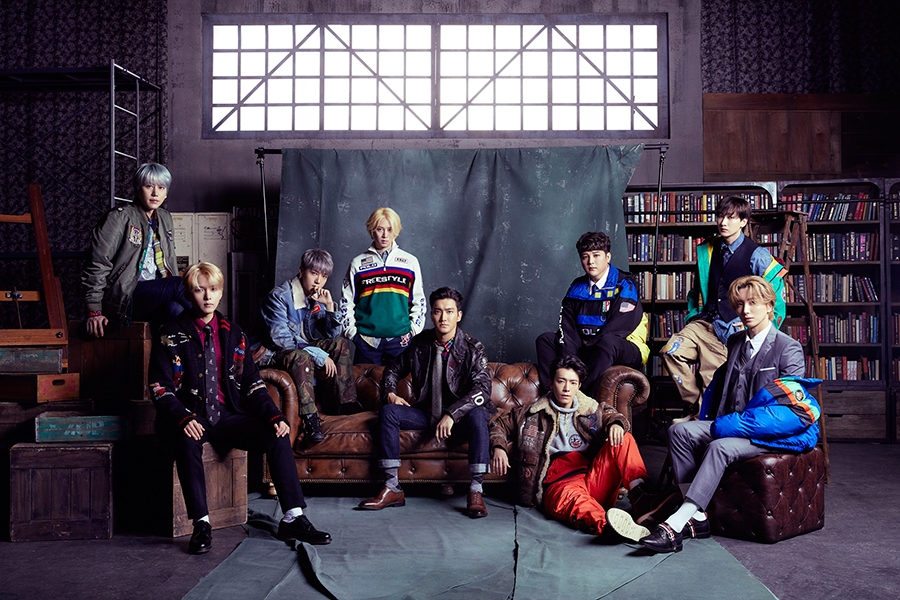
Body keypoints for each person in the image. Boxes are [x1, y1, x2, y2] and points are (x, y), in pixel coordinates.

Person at [608, 276, 819, 553]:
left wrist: (728, 426)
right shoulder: (736, 341)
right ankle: (696, 514)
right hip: (733, 424)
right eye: (740, 304)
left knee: (720, 447)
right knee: (678, 431)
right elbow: (723, 388)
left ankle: (675, 524)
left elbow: (789, 413)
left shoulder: (787, 348)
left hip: (770, 434)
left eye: (753, 303)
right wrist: (710, 418)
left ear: (770, 306)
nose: (745, 310)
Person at [149, 262, 331, 554]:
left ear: (221, 292)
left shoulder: (234, 333)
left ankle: (293, 517)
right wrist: (182, 418)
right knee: (186, 440)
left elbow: (252, 384)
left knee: (277, 434)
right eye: (199, 290)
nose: (207, 296)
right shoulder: (169, 334)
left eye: (213, 289)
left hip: (228, 415)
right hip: (190, 415)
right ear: (188, 293)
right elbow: (160, 387)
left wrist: (273, 415)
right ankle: (201, 524)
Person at [490, 355, 677, 541]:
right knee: (577, 502)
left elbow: (613, 415)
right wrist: (499, 447)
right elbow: (498, 425)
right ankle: (610, 526)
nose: (566, 388)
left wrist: (616, 424)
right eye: (561, 381)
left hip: (594, 479)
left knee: (623, 438)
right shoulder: (531, 413)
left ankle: (641, 500)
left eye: (572, 383)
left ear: (579, 385)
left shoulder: (591, 410)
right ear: (551, 383)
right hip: (559, 484)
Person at [357, 287, 494, 518]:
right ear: (431, 314)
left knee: (479, 413)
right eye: (438, 311)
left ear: (459, 315)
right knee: (389, 412)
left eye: (449, 312)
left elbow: (483, 390)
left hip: (460, 419)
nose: (443, 318)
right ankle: (392, 487)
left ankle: (475, 490)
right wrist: (390, 393)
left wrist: (452, 414)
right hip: (428, 414)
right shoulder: (420, 344)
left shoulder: (473, 348)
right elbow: (392, 369)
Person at [660, 195, 787, 422]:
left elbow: (774, 298)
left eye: (731, 217)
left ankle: (701, 419)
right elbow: (697, 290)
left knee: (711, 379)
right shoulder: (708, 250)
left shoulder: (757, 255)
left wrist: (757, 328)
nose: (723, 222)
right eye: (720, 216)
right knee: (669, 351)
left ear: (743, 222)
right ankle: (695, 407)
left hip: (730, 329)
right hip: (704, 322)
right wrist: (693, 315)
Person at [260, 248, 361, 443]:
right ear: (301, 271)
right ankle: (311, 419)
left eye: (324, 276)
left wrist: (329, 306)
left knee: (340, 344)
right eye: (314, 273)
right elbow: (282, 341)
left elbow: (333, 336)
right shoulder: (279, 297)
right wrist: (318, 354)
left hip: (299, 349)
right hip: (273, 353)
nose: (318, 281)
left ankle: (346, 406)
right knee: (302, 356)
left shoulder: (315, 297)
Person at [82, 163, 190, 337]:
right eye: (149, 186)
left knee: (174, 308)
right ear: (138, 189)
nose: (155, 193)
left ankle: (177, 351)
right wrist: (94, 310)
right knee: (180, 284)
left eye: (161, 188)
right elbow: (98, 263)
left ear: (166, 193)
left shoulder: (165, 217)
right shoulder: (119, 217)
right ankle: (212, 329)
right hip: (125, 296)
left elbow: (169, 260)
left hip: (155, 295)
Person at [535, 231, 649, 395]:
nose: (591, 262)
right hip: (588, 347)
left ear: (607, 257)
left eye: (596, 255)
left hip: (625, 348)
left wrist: (587, 351)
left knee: (607, 342)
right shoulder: (576, 287)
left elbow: (619, 328)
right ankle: (552, 396)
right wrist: (573, 360)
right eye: (585, 257)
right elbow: (568, 327)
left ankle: (580, 396)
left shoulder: (625, 284)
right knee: (545, 340)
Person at [340, 207, 427, 365]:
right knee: (364, 382)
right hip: (366, 341)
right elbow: (346, 302)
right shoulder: (357, 263)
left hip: (400, 341)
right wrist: (353, 334)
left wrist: (413, 331)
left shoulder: (410, 262)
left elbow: (419, 300)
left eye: (389, 229)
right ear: (372, 230)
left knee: (400, 382)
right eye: (380, 229)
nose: (385, 235)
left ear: (396, 231)